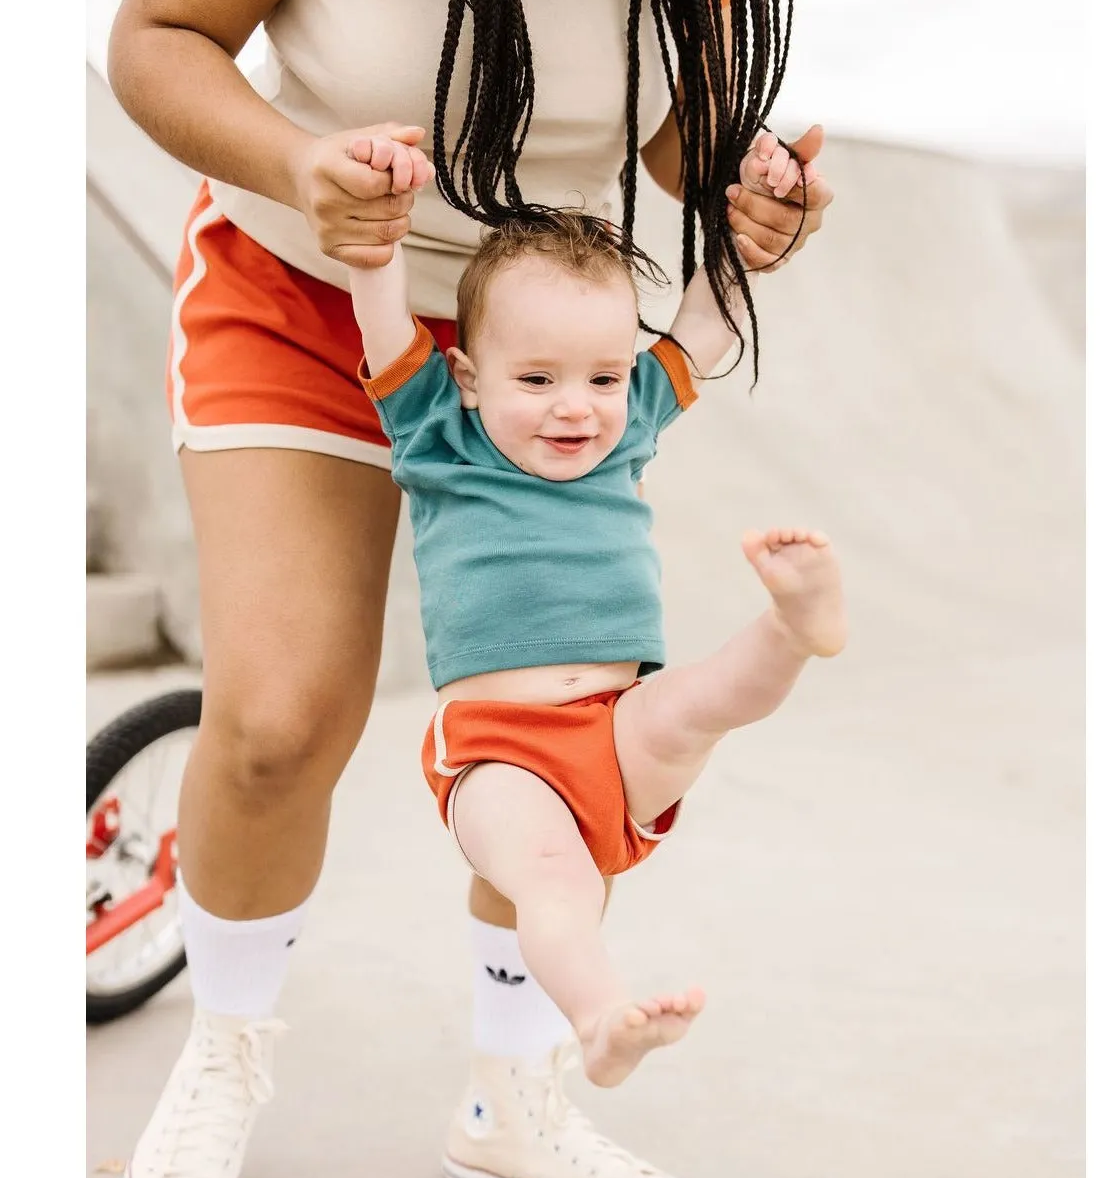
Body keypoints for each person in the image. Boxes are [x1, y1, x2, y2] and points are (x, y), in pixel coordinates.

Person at [108, 0, 835, 1178]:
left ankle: (513, 1095)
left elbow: (681, 138)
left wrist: (750, 196)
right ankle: (223, 1052)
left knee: (567, 727)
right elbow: (157, 38)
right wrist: (298, 160)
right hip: (308, 286)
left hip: (545, 330)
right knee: (278, 721)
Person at [345, 152, 847, 1100]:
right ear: (466, 374)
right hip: (501, 753)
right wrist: (378, 226)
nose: (576, 406)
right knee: (552, 882)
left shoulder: (631, 420)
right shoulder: (435, 429)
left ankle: (794, 623)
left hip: (621, 727)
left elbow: (701, 326)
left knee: (696, 704)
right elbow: (379, 313)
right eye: (536, 378)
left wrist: (749, 235)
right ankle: (600, 1021)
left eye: (603, 377)